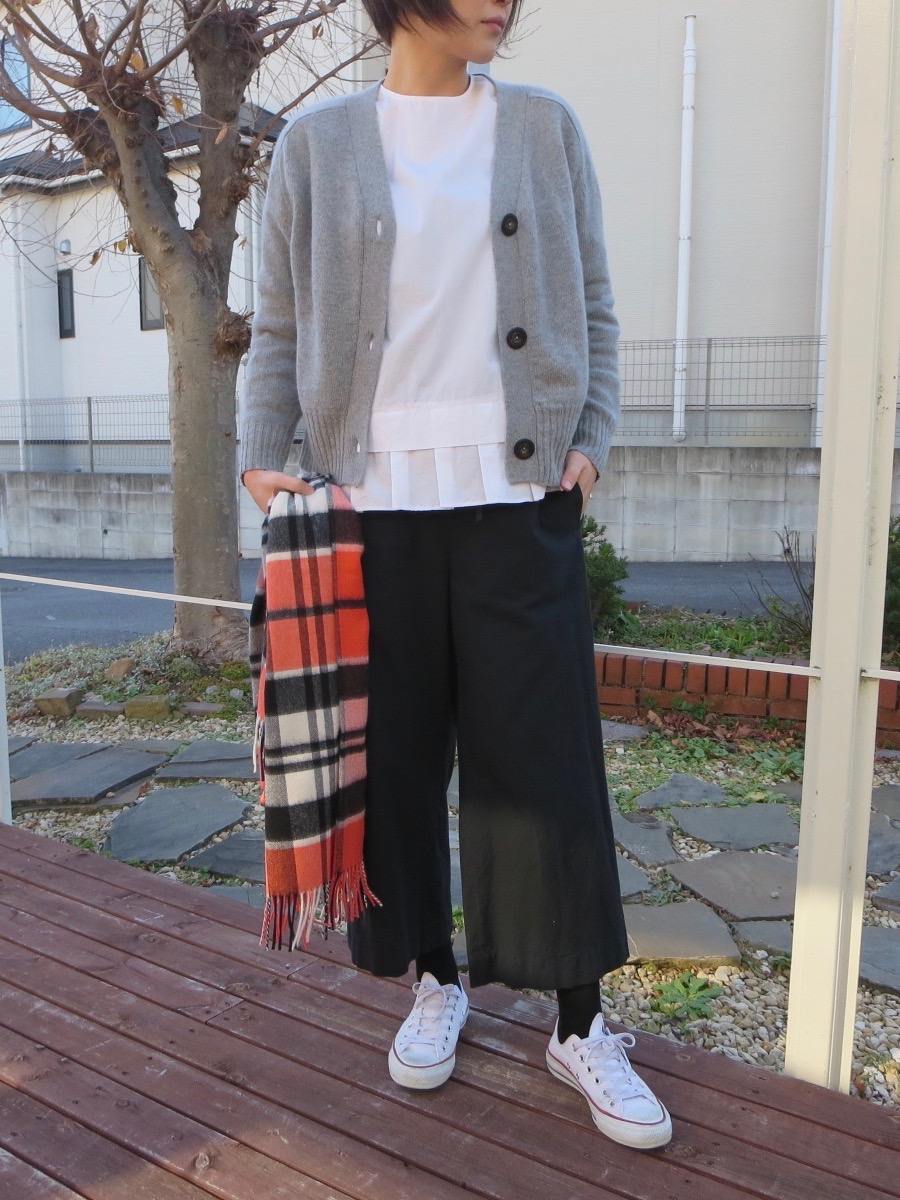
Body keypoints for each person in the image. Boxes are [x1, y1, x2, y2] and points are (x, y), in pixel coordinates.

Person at [240, 0, 672, 1152]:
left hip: (516, 501)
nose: (502, 4)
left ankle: (579, 1021)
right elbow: (279, 323)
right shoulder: (315, 146)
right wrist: (262, 453)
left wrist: (594, 436)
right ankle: (436, 978)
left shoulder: (541, 126)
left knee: (546, 767)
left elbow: (594, 300)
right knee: (394, 762)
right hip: (367, 510)